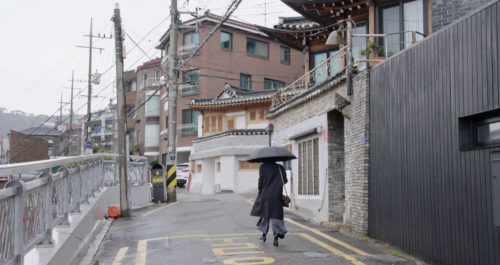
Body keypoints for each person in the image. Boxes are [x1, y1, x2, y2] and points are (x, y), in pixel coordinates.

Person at [250, 159, 288, 247]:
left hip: (265, 195)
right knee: (276, 216)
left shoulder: (262, 167)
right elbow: (285, 181)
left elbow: (260, 182)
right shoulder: (280, 167)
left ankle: (264, 234)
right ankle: (276, 238)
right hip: (276, 195)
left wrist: (260, 191)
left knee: (265, 215)